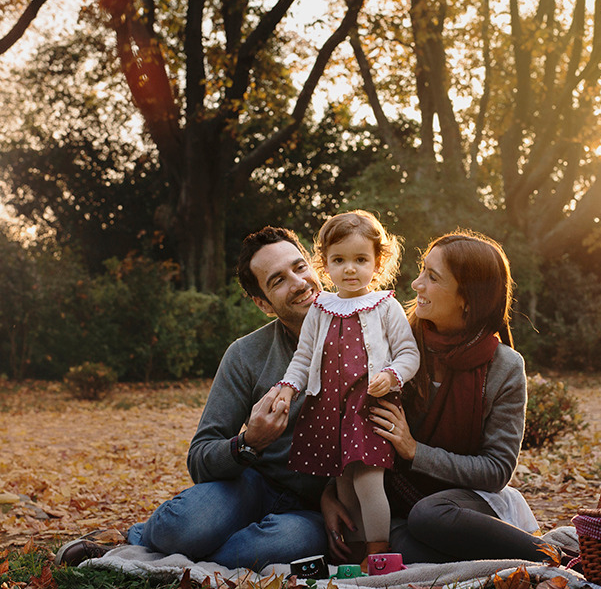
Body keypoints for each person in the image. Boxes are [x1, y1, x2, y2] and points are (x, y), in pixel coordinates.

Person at [54, 226, 331, 571]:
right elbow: (200, 456)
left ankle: (164, 552)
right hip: (251, 486)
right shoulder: (246, 354)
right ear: (263, 304)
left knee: (290, 542)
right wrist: (250, 442)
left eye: (300, 266)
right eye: (277, 280)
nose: (299, 282)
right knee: (182, 525)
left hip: (314, 507)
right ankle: (142, 538)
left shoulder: (367, 335)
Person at [320, 229, 548, 564]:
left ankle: (553, 554)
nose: (417, 284)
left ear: (466, 298)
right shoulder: (394, 343)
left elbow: (496, 471)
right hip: (394, 500)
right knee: (376, 545)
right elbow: (352, 422)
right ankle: (477, 553)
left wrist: (413, 451)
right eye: (422, 270)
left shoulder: (504, 367)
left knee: (429, 515)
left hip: (463, 502)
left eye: (433, 277)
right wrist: (329, 495)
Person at [271, 210, 419, 571]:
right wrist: (288, 388)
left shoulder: (385, 306)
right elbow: (304, 357)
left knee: (369, 480)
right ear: (324, 263)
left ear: (377, 262)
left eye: (360, 260)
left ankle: (380, 553)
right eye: (339, 260)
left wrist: (393, 375)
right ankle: (355, 555)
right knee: (345, 485)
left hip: (368, 406)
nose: (350, 269)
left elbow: (408, 353)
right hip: (330, 408)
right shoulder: (321, 308)